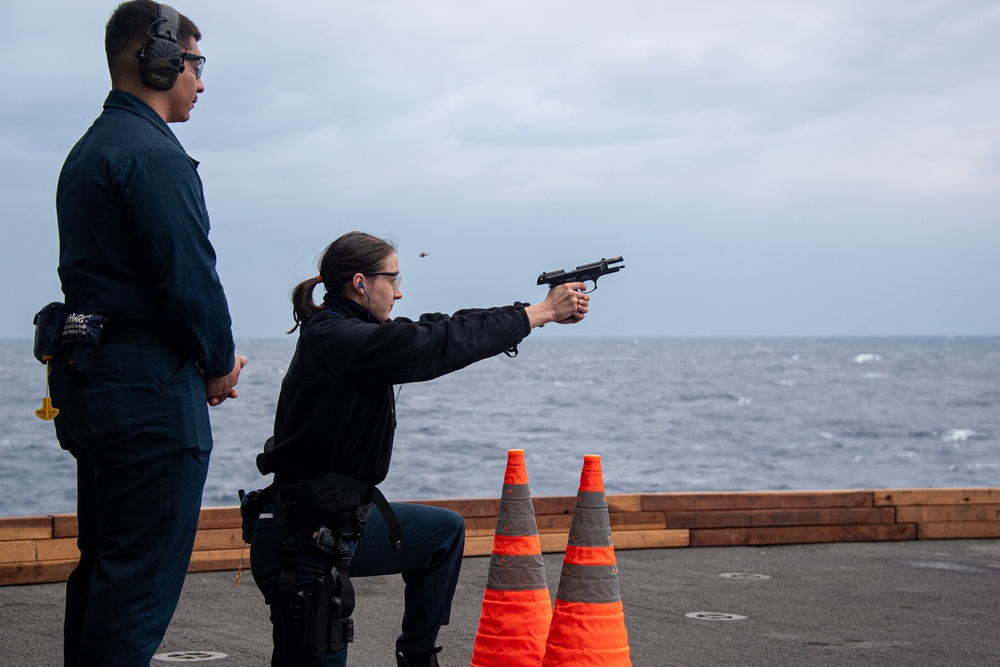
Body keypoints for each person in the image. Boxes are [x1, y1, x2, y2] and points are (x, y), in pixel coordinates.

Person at [247, 231, 590, 666]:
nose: (399, 290)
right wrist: (541, 312)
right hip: (302, 541)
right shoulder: (335, 338)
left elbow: (442, 328)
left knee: (442, 534)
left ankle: (418, 656)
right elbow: (429, 346)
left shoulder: (360, 334)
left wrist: (527, 313)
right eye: (392, 278)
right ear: (360, 282)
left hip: (341, 525)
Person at [48, 2, 247, 665]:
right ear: (158, 59)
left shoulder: (89, 151)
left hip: (95, 385)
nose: (199, 79)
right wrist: (218, 360)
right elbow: (188, 273)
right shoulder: (153, 155)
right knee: (137, 591)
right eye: (194, 62)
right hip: (151, 395)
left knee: (105, 570)